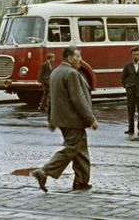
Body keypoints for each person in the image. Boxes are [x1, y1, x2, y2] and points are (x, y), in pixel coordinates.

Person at [31, 47, 98, 192]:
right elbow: (78, 99)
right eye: (78, 57)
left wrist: (51, 120)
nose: (81, 60)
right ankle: (44, 171)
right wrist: (91, 118)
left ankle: (81, 181)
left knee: (80, 150)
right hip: (73, 120)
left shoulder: (55, 72)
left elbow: (50, 98)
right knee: (72, 149)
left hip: (62, 119)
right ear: (69, 58)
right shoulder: (71, 73)